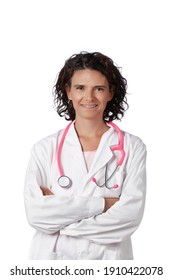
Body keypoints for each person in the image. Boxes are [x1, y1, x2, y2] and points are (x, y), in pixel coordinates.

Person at [24, 51, 147, 260]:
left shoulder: (132, 147)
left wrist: (62, 221)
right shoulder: (44, 148)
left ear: (110, 92)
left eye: (99, 88)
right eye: (80, 88)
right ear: (68, 91)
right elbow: (36, 214)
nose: (89, 97)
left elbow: (129, 217)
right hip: (52, 261)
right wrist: (104, 205)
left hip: (108, 262)